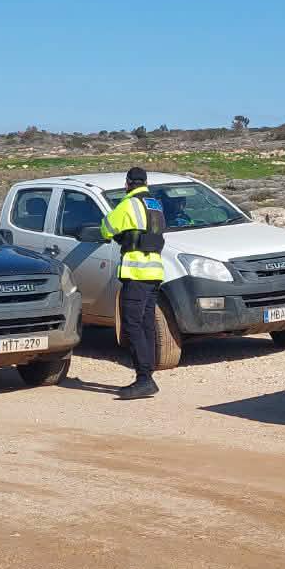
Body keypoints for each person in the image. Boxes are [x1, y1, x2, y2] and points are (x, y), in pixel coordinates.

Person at [99, 166, 167, 399]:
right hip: (155, 272)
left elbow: (106, 229)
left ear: (127, 183)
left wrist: (119, 234)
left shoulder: (128, 204)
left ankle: (144, 378)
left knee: (132, 324)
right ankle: (148, 374)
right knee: (146, 324)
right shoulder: (155, 204)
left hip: (136, 273)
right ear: (146, 182)